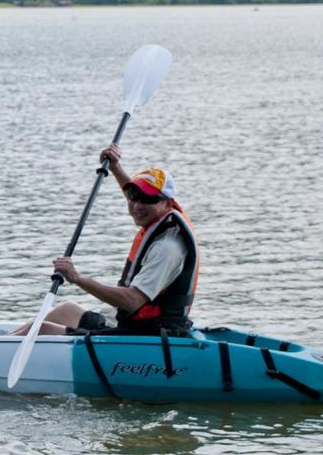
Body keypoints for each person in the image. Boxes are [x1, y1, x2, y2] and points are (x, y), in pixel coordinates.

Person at [13, 144, 199, 336]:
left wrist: (77, 278)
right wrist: (115, 167)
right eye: (133, 197)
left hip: (148, 334)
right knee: (64, 309)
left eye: (146, 200)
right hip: (131, 323)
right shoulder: (162, 217)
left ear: (167, 203)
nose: (136, 206)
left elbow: (133, 301)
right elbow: (138, 196)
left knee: (41, 330)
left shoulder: (166, 249)